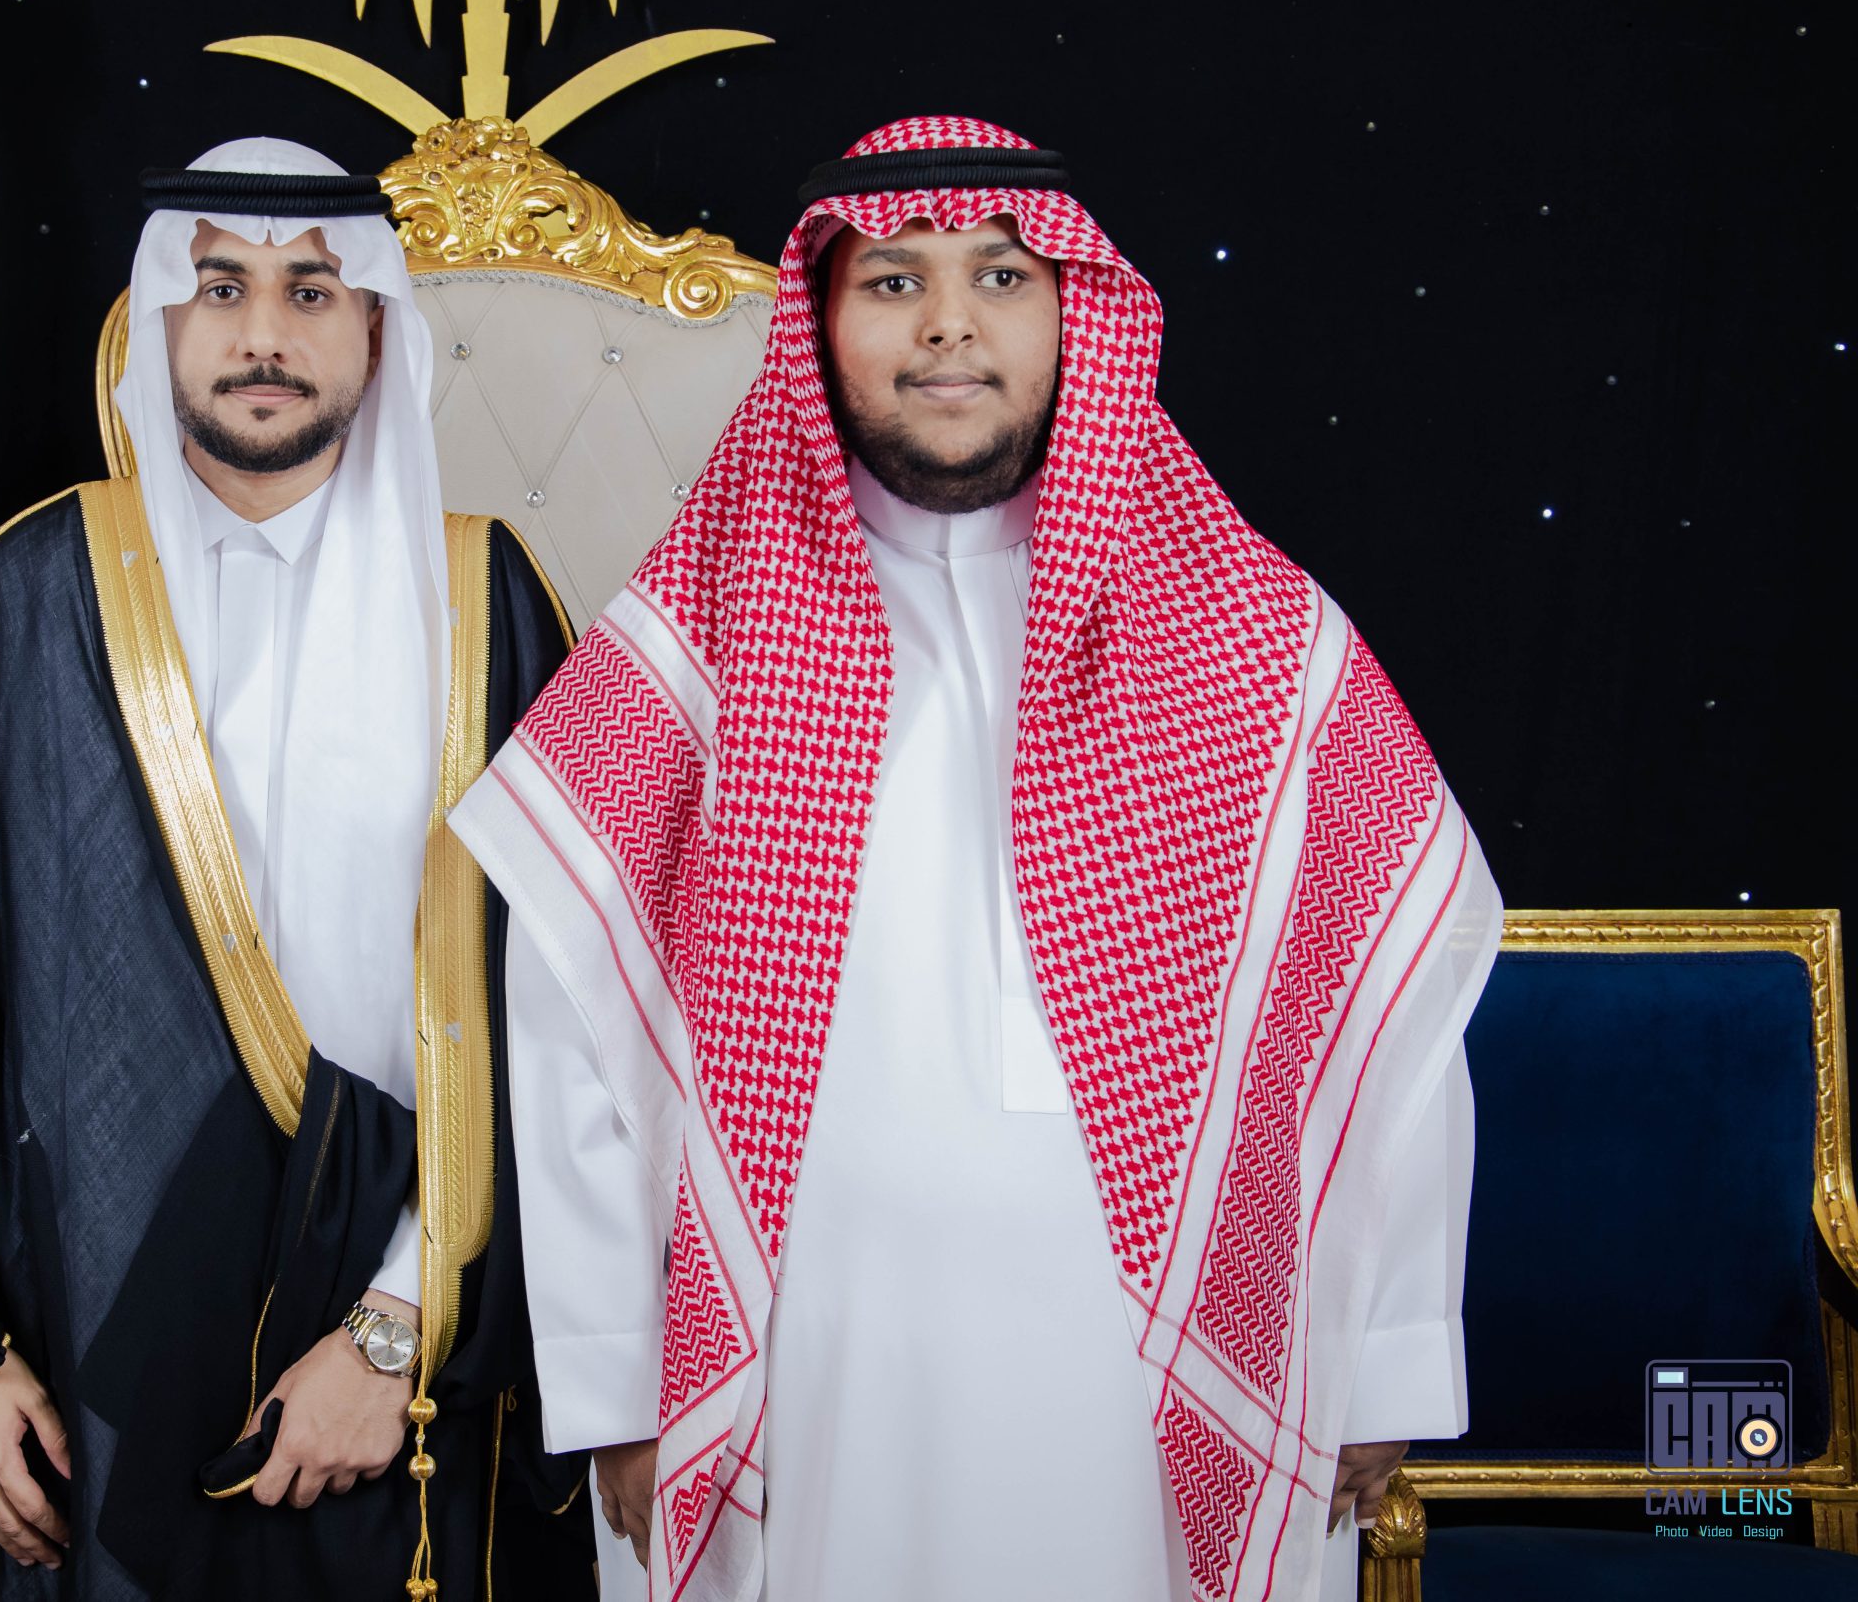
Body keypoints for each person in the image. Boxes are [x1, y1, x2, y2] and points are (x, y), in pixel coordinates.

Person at [447, 116, 1497, 1602]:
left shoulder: (1252, 636)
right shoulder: (700, 640)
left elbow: (1387, 1005)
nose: (949, 324)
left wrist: (1387, 1350)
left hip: (1165, 1370)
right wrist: (619, 1378)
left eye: (1001, 276)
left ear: (1075, 312)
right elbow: (571, 1019)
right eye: (894, 281)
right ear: (820, 325)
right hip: (813, 1371)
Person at [0, 138, 594, 1601]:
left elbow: (569, 1011)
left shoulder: (488, 602)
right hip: (82, 1328)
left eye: (311, 291)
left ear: (377, 329)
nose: (264, 333)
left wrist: (400, 1326)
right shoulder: (29, 591)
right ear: (160, 320)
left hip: (403, 1339)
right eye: (221, 287)